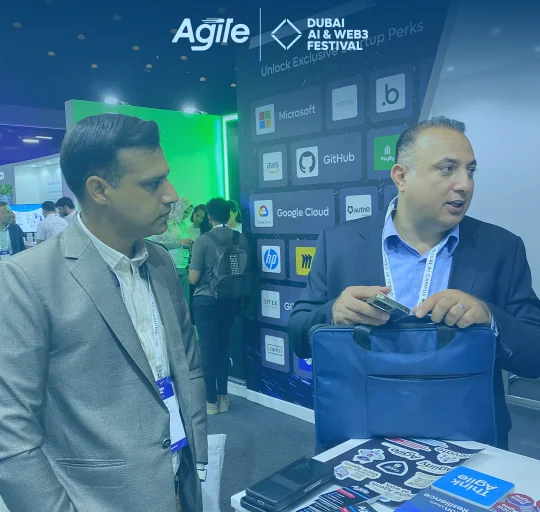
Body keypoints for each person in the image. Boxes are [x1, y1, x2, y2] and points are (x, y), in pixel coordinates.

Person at [288, 116, 540, 450]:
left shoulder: (501, 248)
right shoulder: (339, 243)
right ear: (401, 176)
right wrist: (332, 313)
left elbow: (534, 356)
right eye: (447, 169)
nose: (465, 184)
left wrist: (489, 317)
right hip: (362, 436)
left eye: (470, 171)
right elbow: (298, 336)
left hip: (467, 440)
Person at [0, 113, 207, 512]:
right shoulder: (28, 279)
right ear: (99, 190)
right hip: (97, 499)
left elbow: (189, 366)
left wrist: (195, 456)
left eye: (166, 178)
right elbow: (9, 432)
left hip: (179, 485)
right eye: (152, 184)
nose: (171, 195)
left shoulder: (160, 263)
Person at [189, 197, 249, 415]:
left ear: (209, 216)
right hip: (231, 299)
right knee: (223, 347)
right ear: (229, 214)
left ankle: (210, 401)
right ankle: (224, 397)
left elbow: (194, 278)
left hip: (206, 300)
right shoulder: (240, 238)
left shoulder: (203, 240)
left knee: (207, 349)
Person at [152, 198, 193, 305]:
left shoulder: (182, 225)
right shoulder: (164, 223)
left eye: (189, 213)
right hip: (169, 264)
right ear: (178, 209)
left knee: (185, 300)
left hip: (183, 265)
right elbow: (156, 245)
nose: (187, 215)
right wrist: (178, 243)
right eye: (185, 212)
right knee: (172, 300)